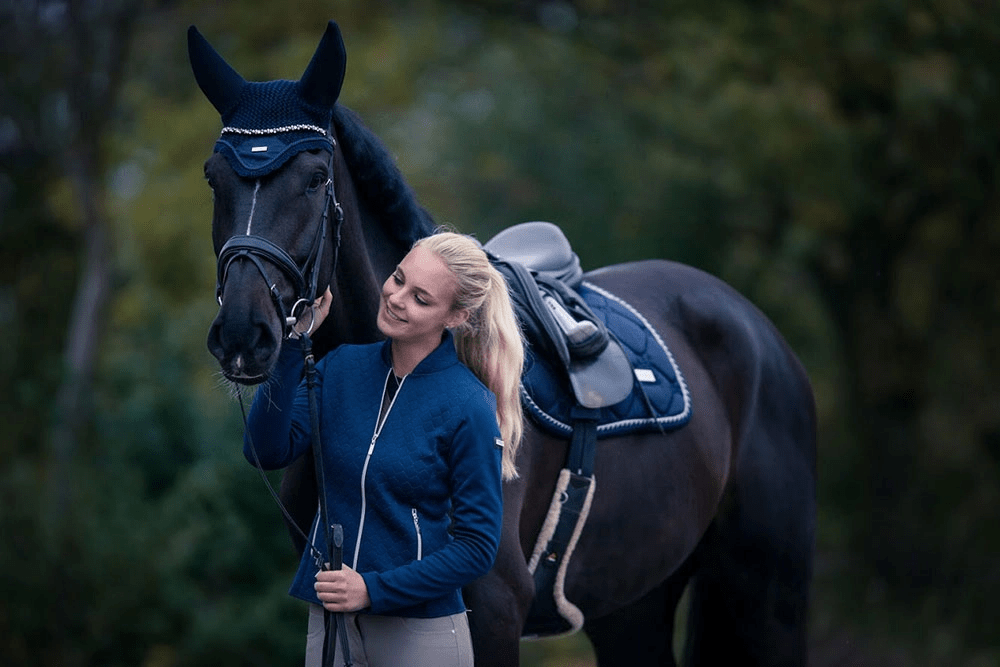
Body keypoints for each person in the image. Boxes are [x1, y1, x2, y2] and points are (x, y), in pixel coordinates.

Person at [245, 230, 525, 667]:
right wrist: (290, 346)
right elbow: (265, 450)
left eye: (421, 298)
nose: (396, 298)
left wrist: (372, 590)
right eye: (398, 279)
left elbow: (477, 546)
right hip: (330, 619)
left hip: (419, 630)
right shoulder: (340, 367)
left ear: (454, 317)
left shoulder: (469, 405)